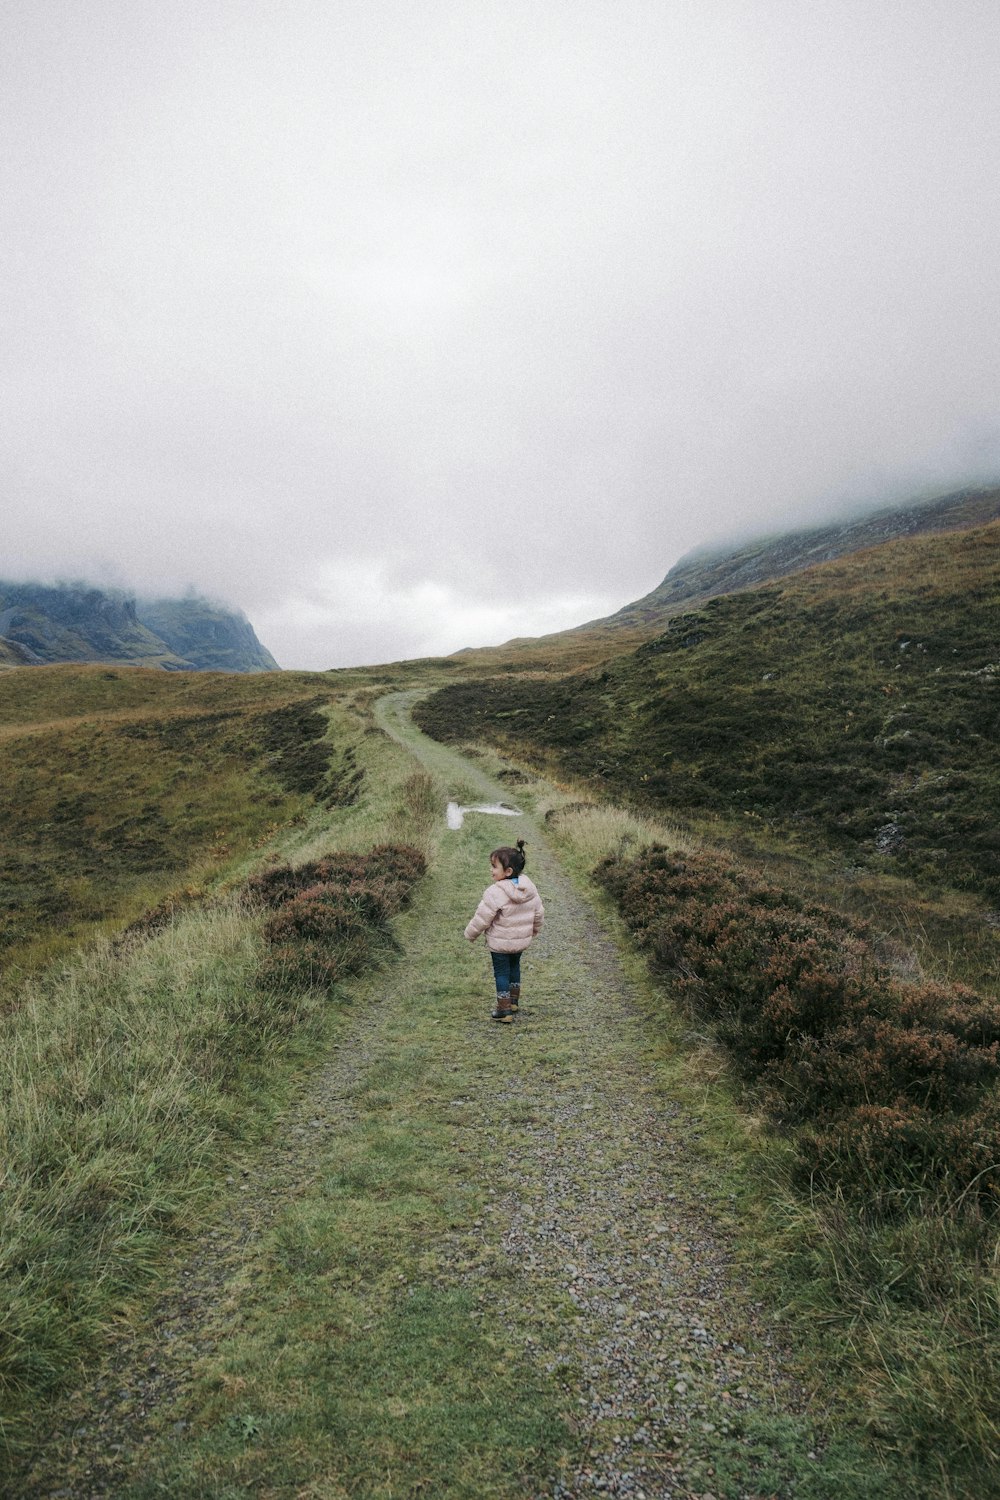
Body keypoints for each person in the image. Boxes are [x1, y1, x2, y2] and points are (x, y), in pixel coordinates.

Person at [464, 839, 544, 1023]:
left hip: (500, 944)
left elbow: (482, 917)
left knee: (501, 973)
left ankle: (504, 1009)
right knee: (514, 967)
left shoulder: (495, 892)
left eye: (494, 867)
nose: (491, 870)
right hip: (520, 942)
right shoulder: (529, 890)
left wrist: (470, 934)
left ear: (508, 871)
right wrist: (533, 931)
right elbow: (539, 913)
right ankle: (514, 1001)